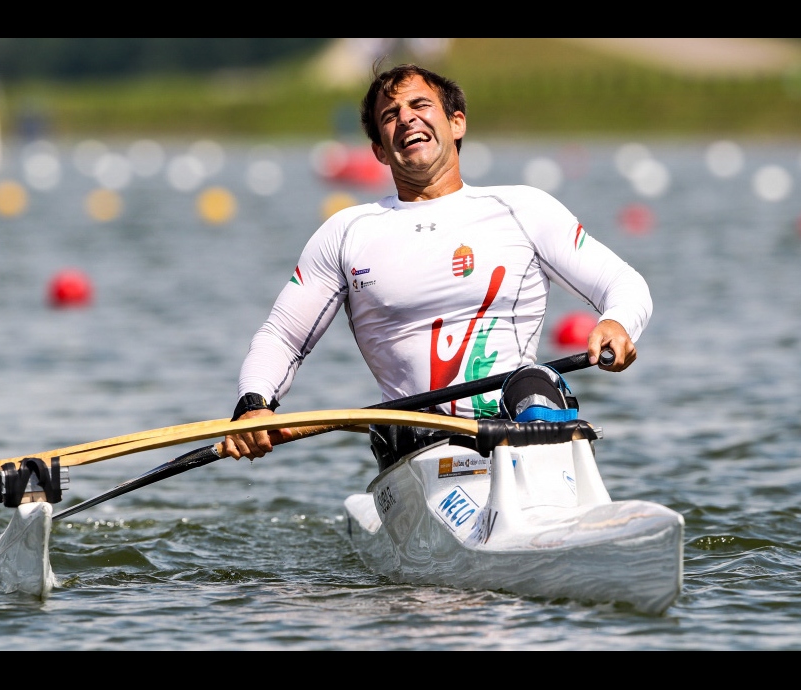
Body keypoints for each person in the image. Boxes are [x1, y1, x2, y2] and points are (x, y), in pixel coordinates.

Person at [222, 62, 652, 470]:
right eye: (390, 115)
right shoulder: (346, 232)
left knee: (536, 382)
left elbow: (623, 283)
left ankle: (552, 497)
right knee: (411, 425)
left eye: (420, 105)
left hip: (519, 425)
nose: (407, 118)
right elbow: (283, 337)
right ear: (379, 150)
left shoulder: (524, 208)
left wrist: (617, 322)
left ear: (457, 122)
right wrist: (254, 404)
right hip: (416, 447)